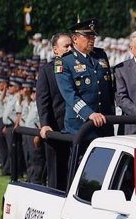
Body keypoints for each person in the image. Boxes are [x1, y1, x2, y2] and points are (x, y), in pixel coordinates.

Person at [55, 18, 115, 139]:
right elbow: (69, 95)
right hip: (80, 125)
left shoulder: (100, 56)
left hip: (104, 123)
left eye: (93, 37)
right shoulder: (65, 62)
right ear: (75, 39)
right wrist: (89, 114)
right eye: (87, 37)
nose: (92, 40)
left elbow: (108, 88)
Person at [37, 32, 71, 189]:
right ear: (55, 50)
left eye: (72, 45)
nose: (70, 49)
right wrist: (45, 123)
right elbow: (43, 100)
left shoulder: (79, 68)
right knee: (56, 174)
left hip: (76, 129)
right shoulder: (47, 71)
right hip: (56, 128)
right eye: (66, 46)